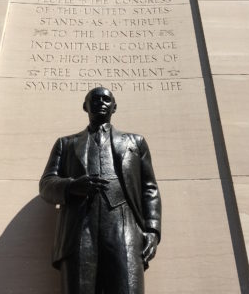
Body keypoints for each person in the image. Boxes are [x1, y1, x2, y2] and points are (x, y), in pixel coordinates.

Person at [39, 87, 161, 294]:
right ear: (85, 106)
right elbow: (46, 184)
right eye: (95, 99)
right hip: (79, 230)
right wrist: (71, 186)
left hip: (124, 227)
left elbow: (149, 188)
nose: (101, 103)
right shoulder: (66, 144)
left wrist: (152, 230)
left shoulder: (135, 142)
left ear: (114, 106)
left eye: (106, 99)